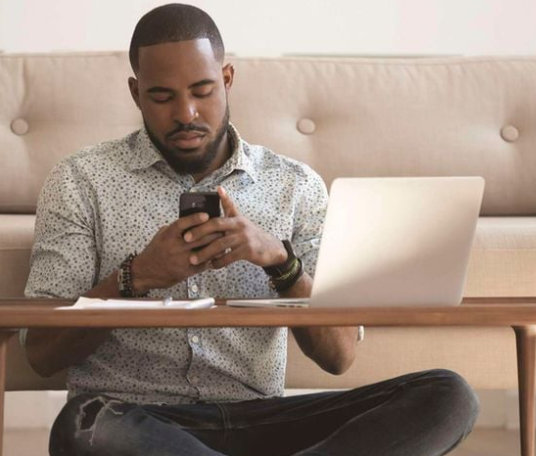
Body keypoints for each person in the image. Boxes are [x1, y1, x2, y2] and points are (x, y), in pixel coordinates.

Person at [24, 4, 479, 455]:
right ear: (135, 92)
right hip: (139, 419)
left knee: (447, 395)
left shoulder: (294, 185)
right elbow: (42, 353)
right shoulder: (80, 181)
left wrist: (280, 262)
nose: (185, 113)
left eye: (202, 90)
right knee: (83, 424)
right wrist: (136, 276)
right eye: (162, 97)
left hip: (263, 418)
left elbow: (339, 355)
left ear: (227, 80)